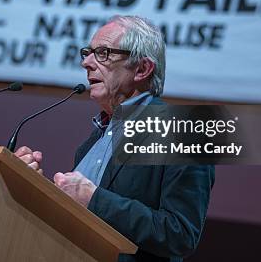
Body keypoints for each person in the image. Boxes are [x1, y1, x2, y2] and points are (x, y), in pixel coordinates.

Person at [15, 15, 214, 262]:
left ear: (142, 69)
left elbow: (179, 235)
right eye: (87, 52)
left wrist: (94, 198)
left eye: (103, 53)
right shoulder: (90, 144)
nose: (86, 62)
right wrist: (29, 185)